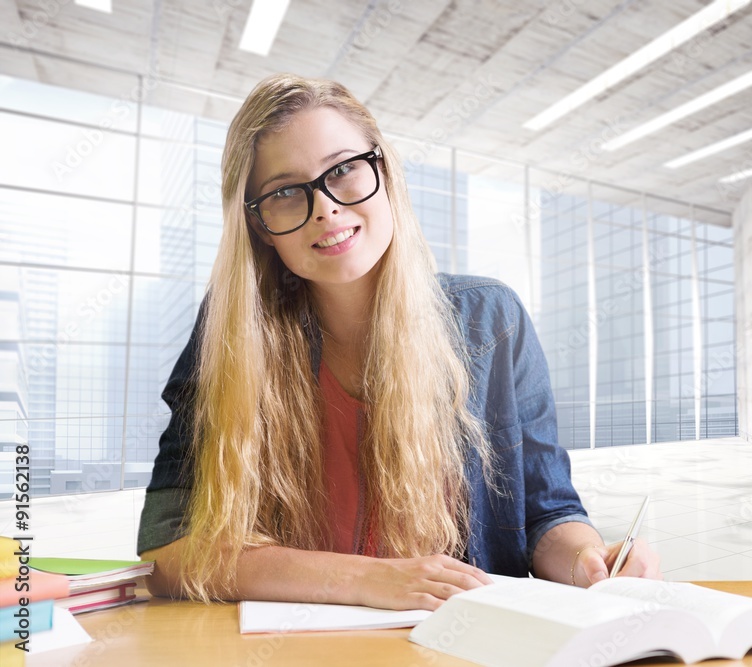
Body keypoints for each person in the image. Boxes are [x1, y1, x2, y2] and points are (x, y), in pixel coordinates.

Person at [137, 73, 660, 611]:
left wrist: (587, 563)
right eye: (287, 192)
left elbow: (546, 515)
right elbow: (165, 551)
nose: (326, 209)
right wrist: (363, 580)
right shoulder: (234, 336)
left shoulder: (491, 320)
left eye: (342, 170)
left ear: (383, 170)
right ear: (259, 226)